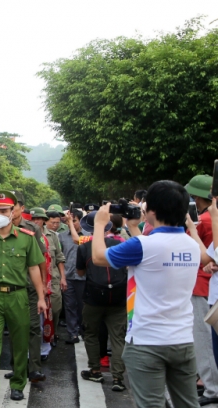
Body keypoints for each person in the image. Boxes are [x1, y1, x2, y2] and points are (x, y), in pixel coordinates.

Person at [92, 180, 208, 408]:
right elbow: (155, 253)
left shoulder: (142, 246)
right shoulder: (192, 246)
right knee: (188, 404)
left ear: (151, 211)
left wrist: (99, 224)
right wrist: (135, 226)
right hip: (183, 341)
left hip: (147, 342)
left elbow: (98, 257)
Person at [0, 190, 47, 403]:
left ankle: (17, 384)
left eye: (4, 210)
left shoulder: (26, 238)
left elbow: (34, 269)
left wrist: (41, 297)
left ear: (13, 211)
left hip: (18, 296)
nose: (0, 213)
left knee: (20, 342)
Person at [76, 211, 127, 392]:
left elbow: (81, 273)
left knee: (91, 334)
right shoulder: (120, 244)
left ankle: (95, 370)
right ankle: (118, 378)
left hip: (94, 298)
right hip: (119, 298)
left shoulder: (84, 248)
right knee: (118, 337)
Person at [4, 192, 48, 383]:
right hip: (10, 287)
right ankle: (16, 367)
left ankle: (35, 368)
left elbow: (40, 260)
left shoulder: (31, 229)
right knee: (14, 328)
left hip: (29, 287)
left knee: (32, 327)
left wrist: (43, 287)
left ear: (21, 208)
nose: (10, 211)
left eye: (13, 207)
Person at [184, 174, 218, 406]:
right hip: (206, 284)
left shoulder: (205, 221)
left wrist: (189, 227)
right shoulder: (208, 220)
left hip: (201, 284)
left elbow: (197, 251)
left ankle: (212, 388)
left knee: (203, 339)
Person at [30, 207, 66, 356]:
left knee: (55, 309)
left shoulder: (52, 236)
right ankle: (37, 344)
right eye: (33, 219)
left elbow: (59, 257)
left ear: (44, 220)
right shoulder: (26, 234)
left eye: (38, 219)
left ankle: (52, 334)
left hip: (53, 279)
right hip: (33, 280)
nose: (35, 221)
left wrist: (63, 277)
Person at [60, 209, 86, 344]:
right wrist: (62, 277)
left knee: (83, 306)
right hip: (68, 276)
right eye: (70, 221)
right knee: (69, 306)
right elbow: (60, 258)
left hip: (84, 278)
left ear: (80, 220)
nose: (72, 223)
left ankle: (84, 330)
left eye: (74, 221)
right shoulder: (62, 236)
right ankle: (72, 333)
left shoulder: (88, 236)